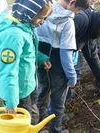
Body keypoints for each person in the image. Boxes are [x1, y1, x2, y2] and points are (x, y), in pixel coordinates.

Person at [0, 0, 52, 124]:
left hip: (28, 84)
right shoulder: (13, 35)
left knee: (33, 116)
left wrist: (40, 58)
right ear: (29, 13)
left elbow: (26, 52)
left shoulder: (25, 26)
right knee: (24, 123)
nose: (42, 22)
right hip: (18, 92)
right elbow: (8, 71)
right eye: (41, 18)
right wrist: (11, 101)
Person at [35, 0, 90, 132]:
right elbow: (66, 52)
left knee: (42, 91)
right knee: (58, 100)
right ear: (72, 2)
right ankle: (55, 129)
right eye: (77, 10)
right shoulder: (67, 22)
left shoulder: (44, 9)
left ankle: (37, 126)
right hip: (58, 63)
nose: (76, 13)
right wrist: (71, 76)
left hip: (41, 57)